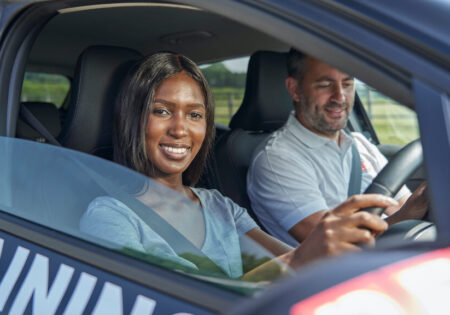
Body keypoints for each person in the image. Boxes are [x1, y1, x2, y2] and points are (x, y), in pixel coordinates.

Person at [80, 52, 396, 281]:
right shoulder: (110, 216)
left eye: (195, 115)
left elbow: (282, 265)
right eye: (162, 111)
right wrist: (303, 256)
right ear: (132, 119)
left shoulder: (220, 207)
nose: (180, 130)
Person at [247, 48, 428, 247]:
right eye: (325, 85)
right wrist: (406, 215)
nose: (340, 97)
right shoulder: (277, 160)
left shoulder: (360, 144)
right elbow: (332, 244)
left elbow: (402, 206)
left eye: (347, 84)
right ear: (295, 89)